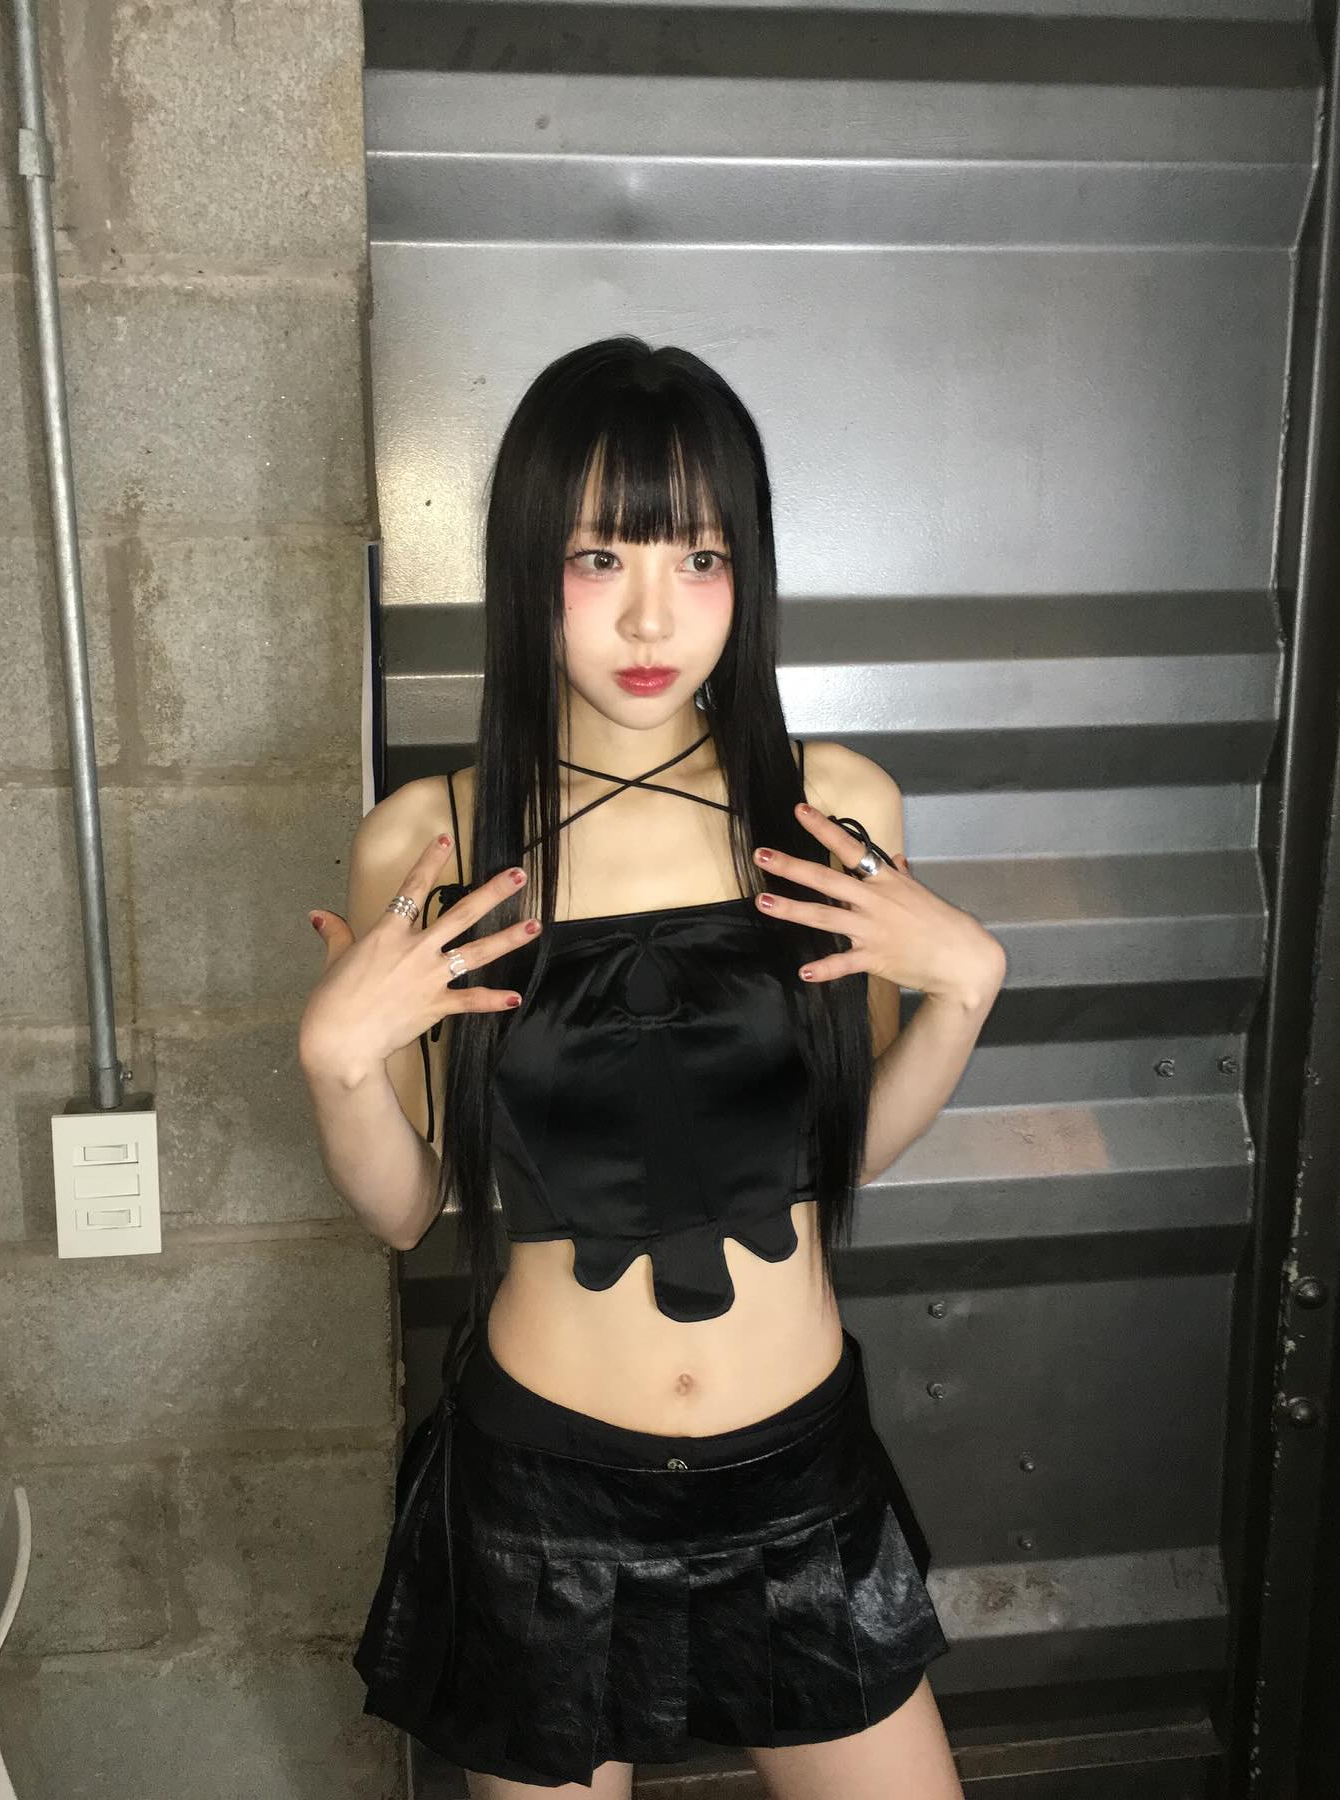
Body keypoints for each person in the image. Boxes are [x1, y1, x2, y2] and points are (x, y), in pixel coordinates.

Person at [299, 337, 1005, 1797]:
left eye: (698, 558)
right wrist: (338, 1064)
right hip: (546, 1500)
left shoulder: (833, 810)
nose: (649, 615)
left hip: (799, 1477)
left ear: (748, 573)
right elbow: (411, 1206)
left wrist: (964, 996)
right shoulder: (433, 839)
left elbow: (841, 1153)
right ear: (525, 568)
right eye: (597, 556)